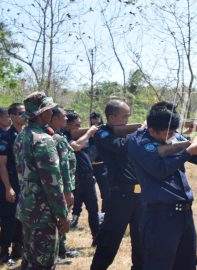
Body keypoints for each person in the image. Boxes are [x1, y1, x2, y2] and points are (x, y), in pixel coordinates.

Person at [126, 101, 197, 270]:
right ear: (152, 130)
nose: (172, 136)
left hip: (185, 213)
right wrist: (187, 152)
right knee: (158, 265)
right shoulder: (138, 142)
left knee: (186, 264)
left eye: (173, 131)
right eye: (167, 133)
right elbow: (159, 170)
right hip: (161, 214)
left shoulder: (174, 137)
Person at [13, 92, 70, 269]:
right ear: (42, 114)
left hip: (27, 208)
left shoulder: (21, 136)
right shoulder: (44, 140)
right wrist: (62, 214)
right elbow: (52, 182)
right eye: (50, 110)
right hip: (43, 213)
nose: (52, 113)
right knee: (44, 263)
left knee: (29, 259)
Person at [91, 100, 144, 270]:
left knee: (142, 241)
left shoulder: (125, 134)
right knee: (109, 241)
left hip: (139, 194)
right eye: (125, 116)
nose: (128, 120)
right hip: (120, 195)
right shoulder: (102, 133)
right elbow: (120, 146)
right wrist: (139, 132)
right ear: (112, 118)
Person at [0, 103, 25, 265]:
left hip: (26, 185)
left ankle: (17, 249)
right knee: (9, 220)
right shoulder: (5, 137)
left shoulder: (28, 134)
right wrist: (8, 188)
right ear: (12, 116)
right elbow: (2, 165)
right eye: (21, 113)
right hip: (11, 183)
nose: (24, 116)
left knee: (22, 220)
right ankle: (4, 253)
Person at [47, 106, 79, 263]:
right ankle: (58, 253)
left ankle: (61, 250)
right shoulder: (56, 139)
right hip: (60, 187)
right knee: (60, 219)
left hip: (60, 186)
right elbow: (63, 167)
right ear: (54, 119)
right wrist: (67, 190)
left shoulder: (58, 135)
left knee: (61, 219)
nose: (67, 119)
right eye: (64, 116)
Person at [65, 111, 100, 242]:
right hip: (74, 181)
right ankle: (60, 246)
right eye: (76, 125)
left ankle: (97, 238)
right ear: (67, 125)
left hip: (87, 179)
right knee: (64, 212)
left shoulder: (79, 136)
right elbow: (76, 147)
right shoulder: (63, 136)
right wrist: (89, 132)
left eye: (80, 125)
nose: (79, 128)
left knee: (93, 210)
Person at [90, 112, 110, 216]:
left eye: (96, 118)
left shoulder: (105, 130)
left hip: (101, 165)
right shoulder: (88, 132)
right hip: (90, 166)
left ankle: (103, 213)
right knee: (89, 194)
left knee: (105, 192)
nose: (94, 120)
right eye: (92, 118)